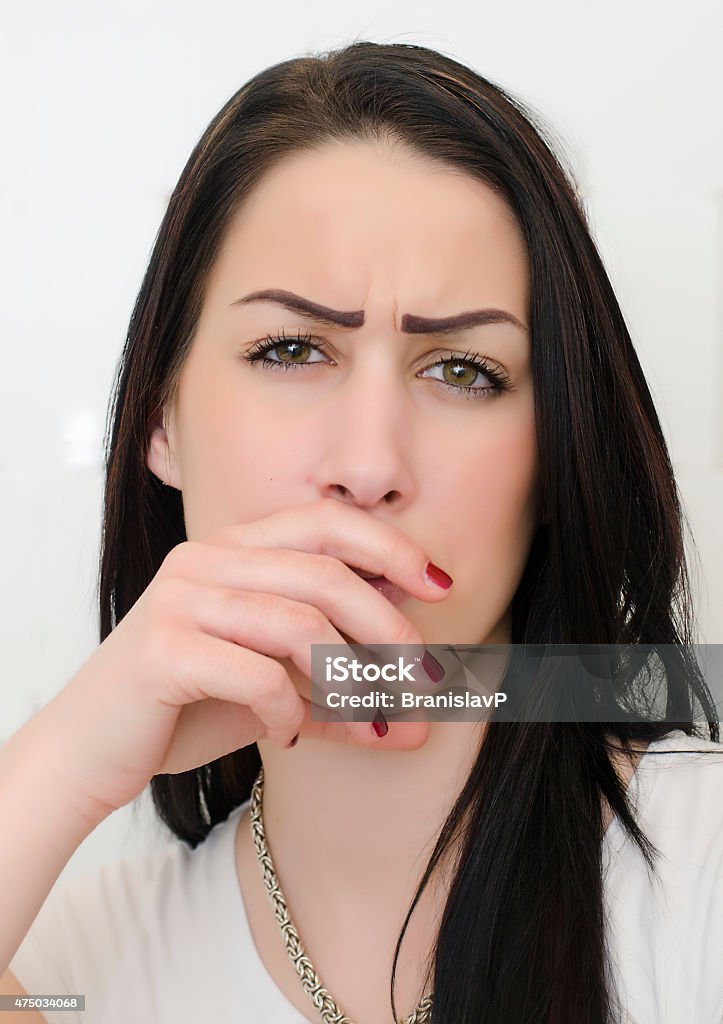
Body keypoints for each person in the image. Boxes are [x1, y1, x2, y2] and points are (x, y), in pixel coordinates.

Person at [1, 39, 721, 1024]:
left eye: (464, 370)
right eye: (292, 349)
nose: (371, 464)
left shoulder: (702, 868)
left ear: (555, 454)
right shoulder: (64, 957)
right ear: (162, 420)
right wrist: (61, 758)